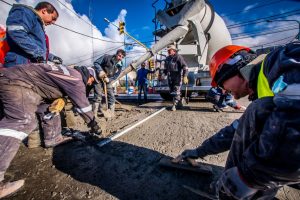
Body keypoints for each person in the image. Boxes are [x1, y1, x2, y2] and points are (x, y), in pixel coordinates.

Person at [179, 42, 300, 199]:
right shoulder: (265, 85)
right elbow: (236, 130)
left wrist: (247, 177)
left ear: (235, 68)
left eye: (222, 84)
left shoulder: (281, 59)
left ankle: (233, 194)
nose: (227, 93)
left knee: (258, 110)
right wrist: (200, 151)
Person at [0, 63, 101, 198]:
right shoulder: (76, 79)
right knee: (22, 122)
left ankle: (52, 138)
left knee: (50, 109)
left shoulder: (70, 72)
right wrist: (93, 124)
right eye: (91, 82)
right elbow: (83, 106)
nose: (90, 84)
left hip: (30, 86)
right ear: (90, 77)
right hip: (16, 83)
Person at [4, 2, 62, 68]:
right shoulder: (25, 12)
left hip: (29, 66)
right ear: (44, 11)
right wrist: (37, 53)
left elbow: (38, 49)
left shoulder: (38, 25)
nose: (53, 22)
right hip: (19, 64)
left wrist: (52, 57)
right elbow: (17, 32)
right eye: (53, 18)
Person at [93, 49, 126, 115]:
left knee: (111, 95)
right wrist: (100, 71)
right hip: (98, 78)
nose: (120, 58)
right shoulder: (107, 57)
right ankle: (94, 114)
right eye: (119, 56)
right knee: (98, 95)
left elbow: (116, 75)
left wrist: (109, 79)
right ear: (116, 54)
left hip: (107, 79)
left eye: (122, 57)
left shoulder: (120, 64)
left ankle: (111, 113)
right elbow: (96, 63)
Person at [164, 44, 188, 111]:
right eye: (168, 50)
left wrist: (185, 76)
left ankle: (174, 105)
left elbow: (185, 66)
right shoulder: (167, 59)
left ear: (174, 51)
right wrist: (163, 75)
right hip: (170, 77)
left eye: (170, 50)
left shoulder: (178, 57)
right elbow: (165, 69)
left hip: (177, 76)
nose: (168, 51)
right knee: (171, 91)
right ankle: (179, 102)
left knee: (176, 91)